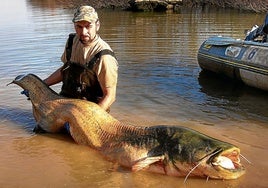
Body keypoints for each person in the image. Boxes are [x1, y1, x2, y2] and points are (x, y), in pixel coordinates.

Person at [43, 5, 118, 112]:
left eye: (88, 26)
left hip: (92, 108)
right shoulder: (72, 41)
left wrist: (91, 119)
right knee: (41, 126)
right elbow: (64, 70)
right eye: (79, 27)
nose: (83, 32)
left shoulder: (104, 56)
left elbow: (110, 96)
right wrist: (41, 85)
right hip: (67, 101)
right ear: (74, 26)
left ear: (97, 25)